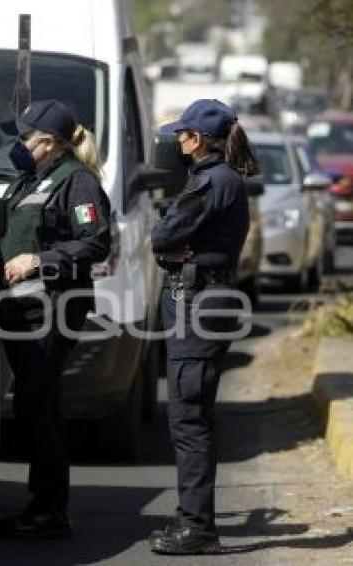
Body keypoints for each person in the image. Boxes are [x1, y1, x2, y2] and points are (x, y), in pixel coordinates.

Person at [0, 100, 111, 539]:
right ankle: (41, 503)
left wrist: (38, 260)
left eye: (24, 137)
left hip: (52, 309)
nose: (18, 144)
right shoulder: (29, 180)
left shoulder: (77, 182)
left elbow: (96, 243)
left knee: (39, 406)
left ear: (50, 143)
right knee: (31, 404)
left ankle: (51, 509)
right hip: (22, 312)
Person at [150, 99, 258, 555]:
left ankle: (198, 528)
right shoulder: (222, 179)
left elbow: (163, 236)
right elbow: (169, 243)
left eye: (181, 134)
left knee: (189, 419)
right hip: (205, 300)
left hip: (198, 304)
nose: (176, 141)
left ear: (196, 139)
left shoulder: (211, 180)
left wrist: (177, 246)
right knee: (191, 416)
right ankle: (192, 520)